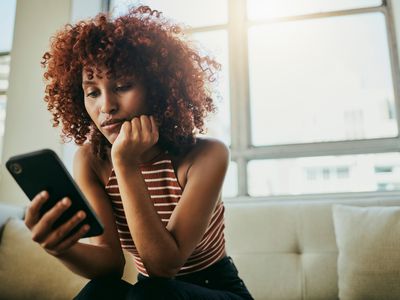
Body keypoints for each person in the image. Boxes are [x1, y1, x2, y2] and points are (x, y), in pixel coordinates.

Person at [24, 5, 253, 300]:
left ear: (158, 90)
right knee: (100, 292)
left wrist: (126, 164)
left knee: (152, 293)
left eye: (122, 85)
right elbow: (109, 265)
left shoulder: (207, 156)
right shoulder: (91, 161)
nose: (106, 106)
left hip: (215, 289)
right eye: (92, 92)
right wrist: (60, 247)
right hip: (151, 291)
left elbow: (163, 266)